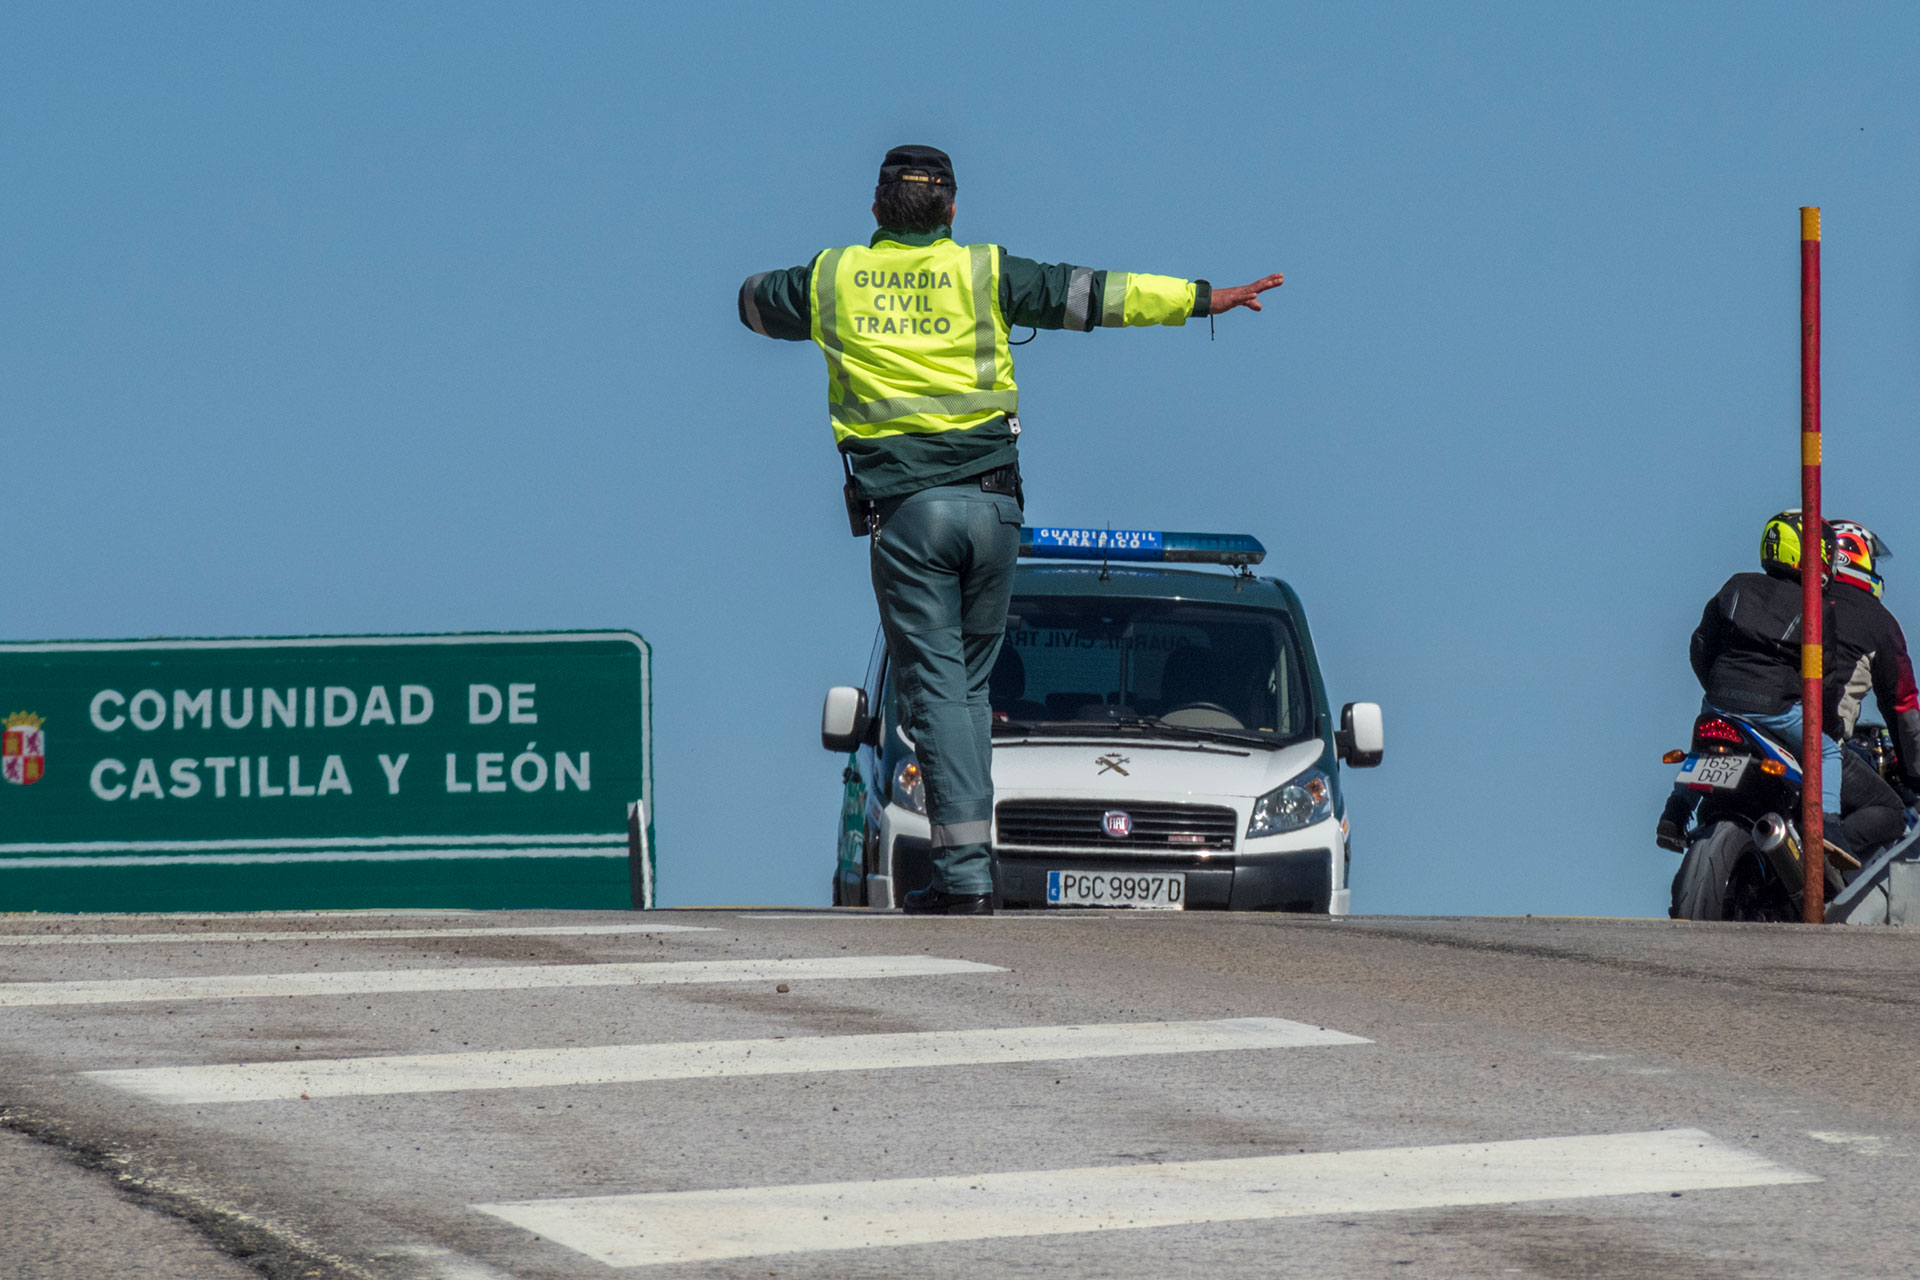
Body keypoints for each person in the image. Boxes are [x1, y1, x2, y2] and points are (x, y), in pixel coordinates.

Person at [740, 144, 1284, 914]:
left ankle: (965, 876)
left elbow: (755, 303)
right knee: (965, 691)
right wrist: (1201, 298)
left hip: (910, 518)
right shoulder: (985, 272)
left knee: (940, 695)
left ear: (876, 210)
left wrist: (779, 292)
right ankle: (969, 864)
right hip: (995, 514)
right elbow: (1095, 294)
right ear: (953, 211)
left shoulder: (833, 279)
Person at [1658, 512, 1843, 852]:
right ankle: (1827, 828)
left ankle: (1675, 811)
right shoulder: (1816, 608)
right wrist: (1830, 724)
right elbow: (1824, 679)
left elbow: (1700, 645)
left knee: (1701, 750)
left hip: (1720, 700)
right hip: (1775, 710)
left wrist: (1717, 688)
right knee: (1829, 752)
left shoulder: (1737, 585)